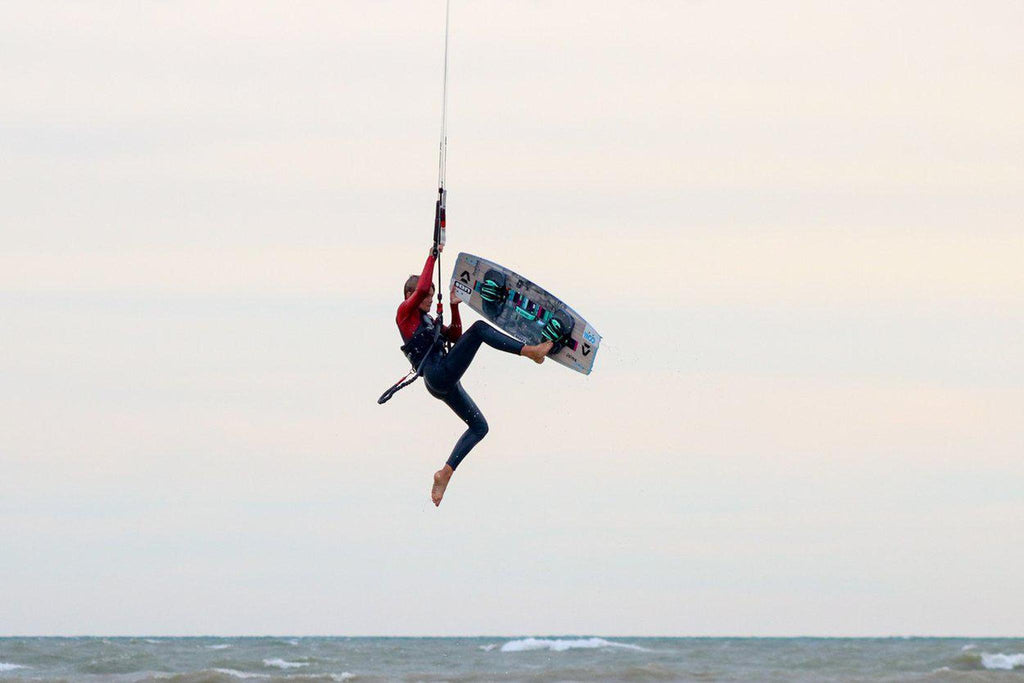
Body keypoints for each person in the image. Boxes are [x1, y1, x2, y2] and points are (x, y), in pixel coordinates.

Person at [397, 244, 553, 506]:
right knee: (479, 329)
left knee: (480, 427)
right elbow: (422, 287)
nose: (428, 299)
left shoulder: (427, 320)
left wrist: (454, 306)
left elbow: (456, 335)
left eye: (431, 296)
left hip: (443, 381)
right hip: (438, 374)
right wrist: (433, 255)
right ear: (409, 295)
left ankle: (445, 473)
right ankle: (530, 351)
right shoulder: (404, 314)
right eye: (425, 296)